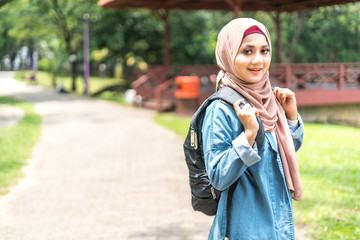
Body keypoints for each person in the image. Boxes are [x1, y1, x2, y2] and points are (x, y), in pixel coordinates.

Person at [202, 18, 304, 240]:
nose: (258, 60)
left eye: (264, 50)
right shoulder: (222, 108)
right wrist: (248, 136)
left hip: (277, 223)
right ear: (229, 54)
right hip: (244, 227)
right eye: (247, 51)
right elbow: (218, 176)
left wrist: (291, 117)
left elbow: (282, 153)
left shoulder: (271, 99)